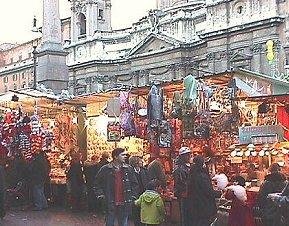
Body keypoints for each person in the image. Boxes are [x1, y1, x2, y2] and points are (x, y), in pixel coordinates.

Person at [95, 148, 138, 226]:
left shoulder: (128, 169)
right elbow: (97, 183)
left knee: (123, 223)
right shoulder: (105, 169)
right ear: (115, 156)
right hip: (110, 202)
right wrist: (101, 195)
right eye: (122, 155)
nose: (125, 156)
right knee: (109, 223)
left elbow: (134, 184)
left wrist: (133, 196)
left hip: (124, 202)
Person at [188, 155, 220, 226]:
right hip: (204, 206)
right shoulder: (202, 176)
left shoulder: (192, 174)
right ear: (202, 164)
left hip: (195, 206)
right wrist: (220, 193)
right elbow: (208, 192)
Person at [172, 146, 191, 226]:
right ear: (182, 156)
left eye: (189, 155)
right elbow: (181, 182)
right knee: (184, 214)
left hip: (187, 193)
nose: (189, 157)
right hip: (183, 194)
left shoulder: (187, 166)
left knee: (188, 214)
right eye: (187, 155)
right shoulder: (179, 168)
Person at [129, 156, 149, 226]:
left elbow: (147, 181)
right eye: (140, 161)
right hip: (135, 195)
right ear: (136, 163)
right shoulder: (129, 172)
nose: (142, 162)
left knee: (144, 213)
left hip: (144, 194)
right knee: (136, 214)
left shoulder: (144, 171)